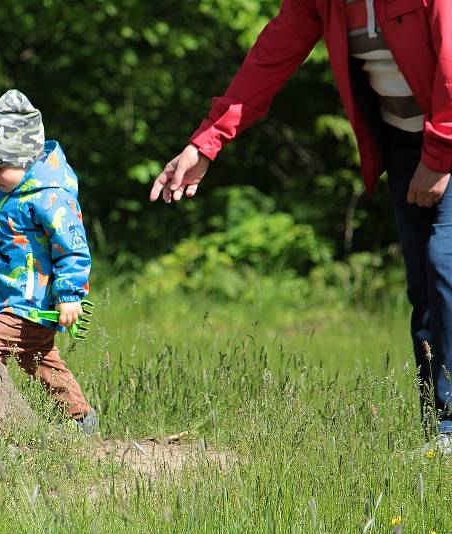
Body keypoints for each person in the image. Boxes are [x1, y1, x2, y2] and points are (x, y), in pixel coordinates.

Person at [150, 0, 452, 449]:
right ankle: (439, 431)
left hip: (443, 138)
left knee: (444, 263)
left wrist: (441, 154)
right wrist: (205, 145)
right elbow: (271, 57)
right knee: (424, 289)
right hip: (406, 146)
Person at [0, 89, 98, 435]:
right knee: (43, 363)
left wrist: (70, 295)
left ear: (26, 159)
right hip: (16, 302)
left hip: (31, 305)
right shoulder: (10, 193)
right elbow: (11, 240)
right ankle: (81, 418)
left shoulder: (50, 197)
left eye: (0, 166)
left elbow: (72, 247)